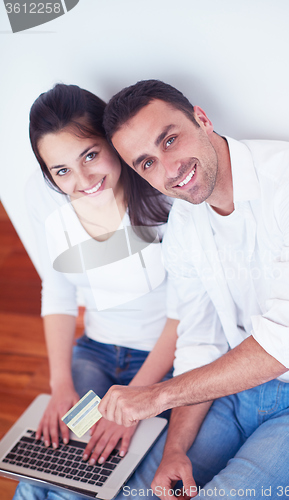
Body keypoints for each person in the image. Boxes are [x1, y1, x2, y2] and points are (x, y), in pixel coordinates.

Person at [98, 79, 289, 499]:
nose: (169, 170)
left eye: (169, 140)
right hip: (235, 387)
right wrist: (175, 449)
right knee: (141, 491)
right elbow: (199, 338)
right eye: (147, 163)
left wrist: (157, 396)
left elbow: (286, 342)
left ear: (201, 119)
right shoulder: (185, 225)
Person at [13, 84, 178, 500]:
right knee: (43, 469)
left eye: (90, 155)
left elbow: (189, 312)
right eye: (61, 170)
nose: (83, 180)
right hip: (98, 353)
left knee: (90, 477)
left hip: (163, 365)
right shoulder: (44, 198)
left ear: (112, 142)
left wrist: (137, 402)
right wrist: (61, 384)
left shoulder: (163, 194)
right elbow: (59, 288)